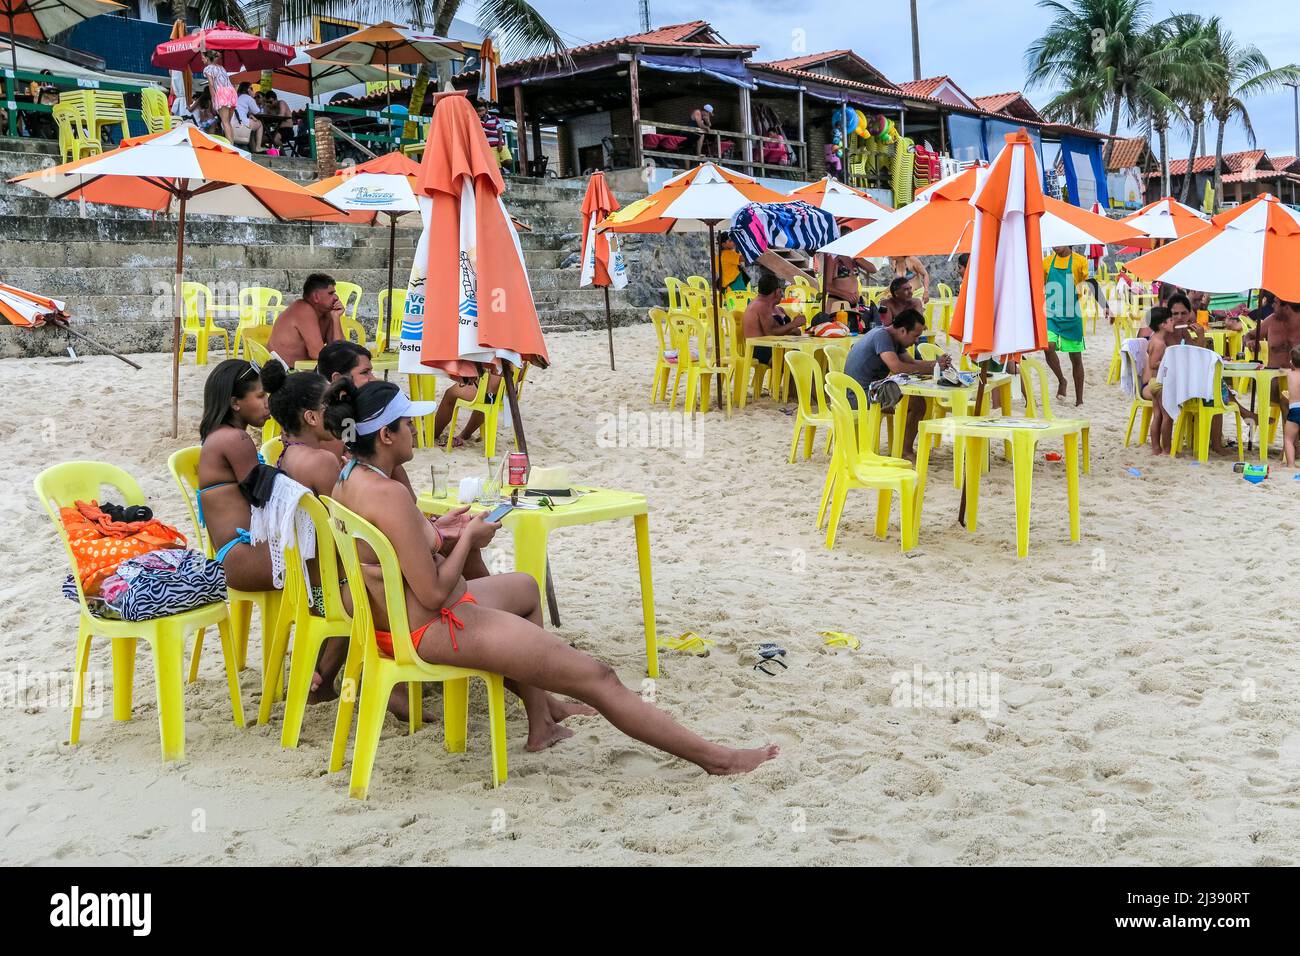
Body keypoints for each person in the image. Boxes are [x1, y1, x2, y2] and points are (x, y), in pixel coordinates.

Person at [323, 378, 778, 770]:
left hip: (397, 620)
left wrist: (438, 533)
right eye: (408, 423)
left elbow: (393, 547)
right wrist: (469, 539)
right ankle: (718, 760)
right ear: (385, 434)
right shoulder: (389, 494)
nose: (417, 428)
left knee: (523, 586)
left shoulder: (348, 478)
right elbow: (435, 591)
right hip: (433, 626)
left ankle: (542, 722)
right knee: (599, 677)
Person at [196, 359, 274, 592]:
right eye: (261, 397)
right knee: (331, 561)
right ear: (235, 403)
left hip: (233, 555)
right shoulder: (235, 439)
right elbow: (263, 495)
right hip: (243, 558)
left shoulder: (218, 435)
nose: (267, 404)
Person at [844, 309, 949, 462]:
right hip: (859, 396)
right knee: (916, 404)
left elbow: (911, 363)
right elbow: (897, 368)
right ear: (902, 330)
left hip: (870, 389)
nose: (916, 341)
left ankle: (902, 448)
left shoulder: (893, 337)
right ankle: (904, 451)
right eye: (915, 336)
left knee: (916, 402)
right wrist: (932, 368)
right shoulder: (882, 337)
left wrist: (937, 364)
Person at [1042, 244, 1089, 406]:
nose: (1055, 247)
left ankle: (1079, 400)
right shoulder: (1046, 262)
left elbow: (1091, 284)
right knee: (1048, 347)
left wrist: (1106, 307)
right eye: (1053, 243)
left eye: (1058, 243)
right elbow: (1036, 286)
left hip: (1072, 315)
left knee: (1076, 358)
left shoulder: (1080, 261)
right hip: (1051, 313)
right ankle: (1062, 380)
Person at [267, 274, 345, 370]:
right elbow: (317, 354)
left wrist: (336, 318)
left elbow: (341, 349)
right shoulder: (303, 310)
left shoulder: (326, 313)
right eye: (331, 293)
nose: (336, 297)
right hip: (284, 373)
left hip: (304, 371)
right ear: (316, 296)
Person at [741, 272, 802, 367]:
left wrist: (792, 330)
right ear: (777, 291)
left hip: (771, 344)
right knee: (796, 361)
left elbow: (777, 330)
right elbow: (771, 332)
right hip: (759, 348)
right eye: (780, 291)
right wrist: (793, 324)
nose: (782, 294)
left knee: (802, 356)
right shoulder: (761, 305)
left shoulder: (773, 307)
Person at [202, 50, 238, 143]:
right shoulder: (221, 67)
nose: (202, 60)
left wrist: (214, 100)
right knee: (227, 122)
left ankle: (230, 146)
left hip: (222, 93)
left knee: (225, 122)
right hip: (231, 92)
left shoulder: (207, 69)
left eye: (203, 58)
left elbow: (211, 84)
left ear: (207, 58)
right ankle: (231, 143)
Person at [233, 82, 264, 153]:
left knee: (252, 126)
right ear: (248, 89)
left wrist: (250, 114)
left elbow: (241, 110)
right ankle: (258, 147)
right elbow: (257, 112)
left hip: (232, 122)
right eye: (252, 88)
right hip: (241, 123)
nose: (253, 91)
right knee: (259, 124)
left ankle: (253, 149)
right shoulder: (248, 98)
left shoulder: (237, 96)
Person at [1285, 346, 1300, 468]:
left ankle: (1291, 465)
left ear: (1291, 362)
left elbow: (1280, 371)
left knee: (1289, 439)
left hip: (1294, 409)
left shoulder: (1290, 374)